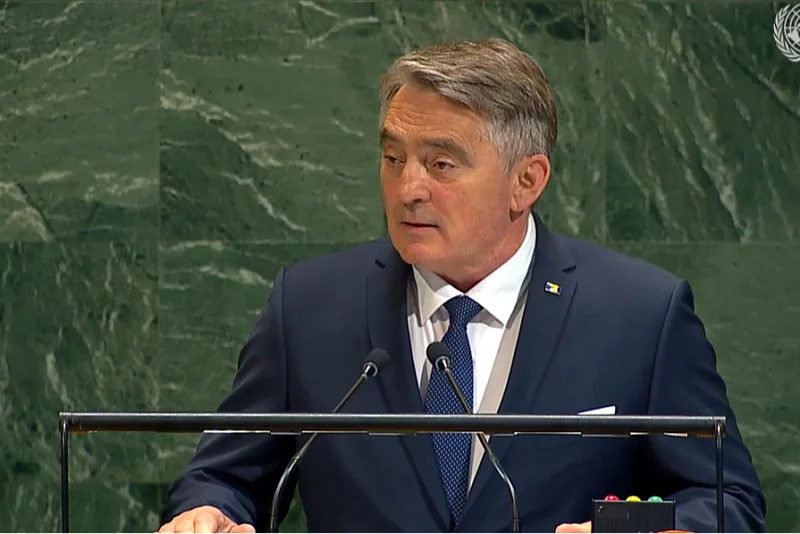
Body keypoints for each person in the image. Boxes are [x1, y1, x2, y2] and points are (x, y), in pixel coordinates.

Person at [158, 38, 766, 533]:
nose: (408, 189)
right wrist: (206, 514)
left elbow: (725, 502)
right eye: (393, 158)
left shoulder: (640, 315)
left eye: (441, 164)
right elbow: (223, 478)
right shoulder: (311, 308)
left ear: (526, 182)